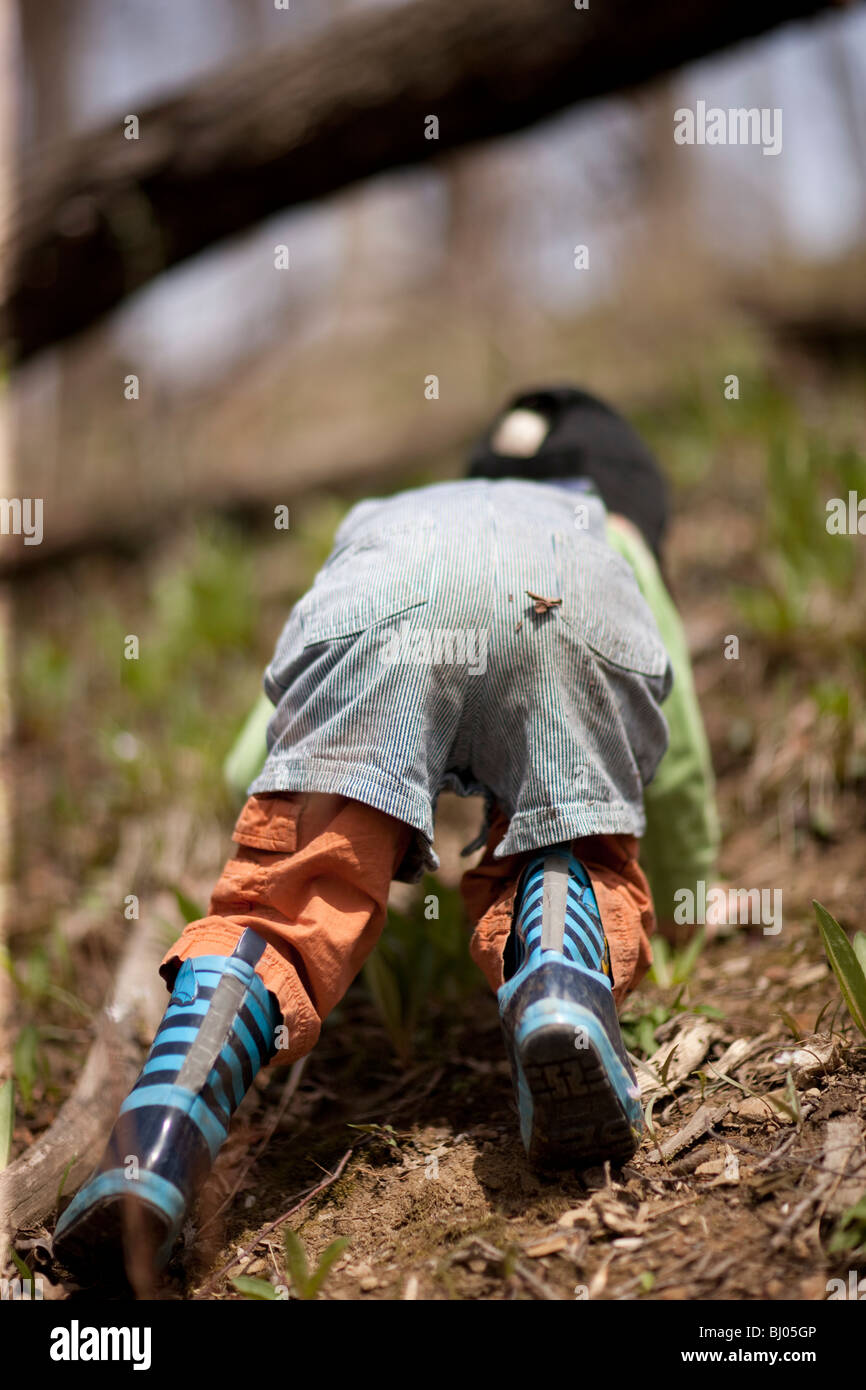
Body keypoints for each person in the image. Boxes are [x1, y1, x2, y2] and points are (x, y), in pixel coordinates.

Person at [53, 385, 718, 1278]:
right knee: (575, 839)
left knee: (283, 908)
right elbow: (672, 768)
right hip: (563, 609)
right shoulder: (613, 533)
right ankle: (563, 969)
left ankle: (157, 1138)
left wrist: (299, 815)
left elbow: (264, 745)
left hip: (383, 609)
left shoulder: (406, 511)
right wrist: (682, 896)